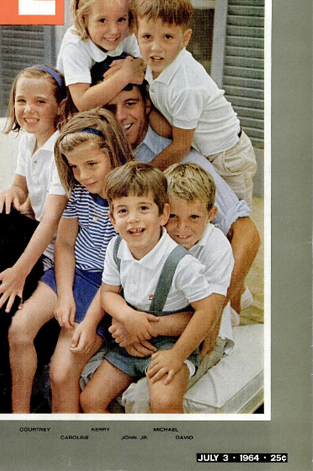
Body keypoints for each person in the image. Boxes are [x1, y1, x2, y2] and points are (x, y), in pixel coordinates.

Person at [103, 80, 259, 328]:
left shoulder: (179, 156)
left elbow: (246, 233)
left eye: (130, 104)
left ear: (146, 105)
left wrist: (215, 313)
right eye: (111, 107)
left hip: (194, 287)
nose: (120, 116)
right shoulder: (102, 155)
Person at [7, 108, 133, 413]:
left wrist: (86, 315)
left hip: (106, 288)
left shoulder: (133, 198)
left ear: (114, 154)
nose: (84, 175)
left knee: (62, 372)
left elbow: (122, 274)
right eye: (75, 167)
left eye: (92, 164)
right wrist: (63, 296)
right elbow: (64, 245)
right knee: (19, 330)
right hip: (70, 274)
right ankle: (18, 417)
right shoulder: (78, 191)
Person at [0, 65, 70, 413]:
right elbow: (21, 188)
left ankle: (3, 401)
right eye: (21, 100)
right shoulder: (29, 138)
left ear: (60, 106)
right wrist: (10, 192)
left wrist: (18, 271)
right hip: (32, 233)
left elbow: (51, 222)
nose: (28, 109)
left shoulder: (61, 149)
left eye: (40, 101)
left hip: (53, 252)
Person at [80, 162, 217, 413]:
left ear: (162, 214)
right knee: (90, 401)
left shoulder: (181, 263)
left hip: (171, 343)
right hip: (129, 337)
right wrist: (128, 317)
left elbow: (207, 311)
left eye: (143, 208)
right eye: (122, 211)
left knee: (164, 403)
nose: (133, 219)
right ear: (112, 218)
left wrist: (177, 355)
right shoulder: (116, 248)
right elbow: (108, 293)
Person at [121, 162, 235, 413]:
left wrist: (139, 326)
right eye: (173, 217)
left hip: (202, 334)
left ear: (211, 214)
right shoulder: (152, 234)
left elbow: (208, 315)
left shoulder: (216, 248)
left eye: (194, 217)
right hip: (158, 331)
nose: (182, 228)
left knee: (144, 398)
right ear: (162, 213)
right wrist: (125, 320)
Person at [135, 0, 257, 206]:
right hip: (202, 149)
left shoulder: (186, 85)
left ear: (186, 39)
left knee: (234, 215)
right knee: (204, 211)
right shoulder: (153, 66)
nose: (156, 48)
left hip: (228, 155)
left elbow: (180, 146)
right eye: (147, 37)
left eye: (168, 37)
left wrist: (144, 174)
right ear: (137, 34)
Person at [56, 0, 145, 112]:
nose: (114, 31)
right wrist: (126, 75)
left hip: (112, 102)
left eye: (121, 19)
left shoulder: (127, 32)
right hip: (74, 111)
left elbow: (145, 63)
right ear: (84, 19)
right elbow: (83, 103)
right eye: (102, 21)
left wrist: (139, 64)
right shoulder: (74, 45)